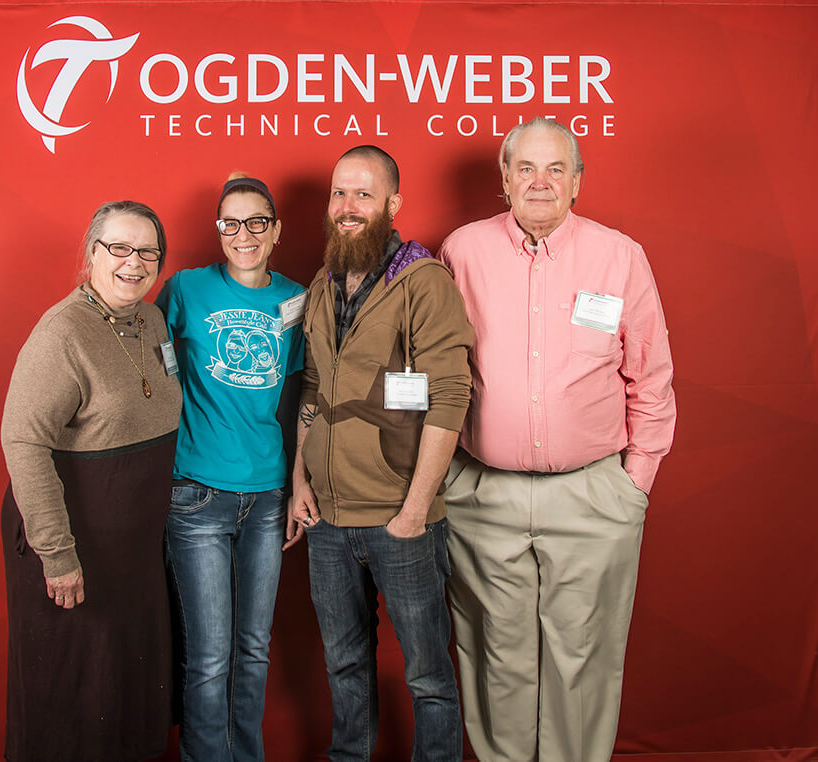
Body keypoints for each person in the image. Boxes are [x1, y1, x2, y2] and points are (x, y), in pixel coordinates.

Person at [438, 116, 677, 762]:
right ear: (503, 181)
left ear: (576, 182)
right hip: (483, 496)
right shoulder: (461, 250)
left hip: (594, 496)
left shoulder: (619, 256)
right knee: (494, 655)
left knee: (584, 658)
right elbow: (437, 367)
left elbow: (650, 375)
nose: (539, 182)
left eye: (554, 169)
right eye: (524, 168)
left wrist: (634, 484)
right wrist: (449, 477)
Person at [288, 145, 472, 761]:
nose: (347, 207)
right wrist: (300, 482)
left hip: (403, 519)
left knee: (428, 679)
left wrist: (415, 511)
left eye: (363, 194)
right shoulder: (322, 284)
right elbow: (312, 386)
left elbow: (450, 397)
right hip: (329, 523)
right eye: (339, 193)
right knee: (344, 667)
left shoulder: (423, 281)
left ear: (393, 203)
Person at [0, 201, 182, 761]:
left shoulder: (151, 318)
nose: (134, 263)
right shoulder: (62, 332)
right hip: (75, 542)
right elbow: (24, 442)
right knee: (74, 690)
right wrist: (56, 554)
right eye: (119, 249)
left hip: (133, 549)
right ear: (91, 254)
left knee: (127, 686)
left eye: (147, 251)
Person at [156, 174, 305, 762]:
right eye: (231, 224)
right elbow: (152, 371)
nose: (243, 235)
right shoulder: (186, 290)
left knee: (254, 649)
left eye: (256, 222)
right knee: (210, 654)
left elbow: (299, 398)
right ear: (219, 231)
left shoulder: (295, 298)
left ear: (275, 230)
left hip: (267, 495)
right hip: (196, 495)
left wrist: (298, 486)